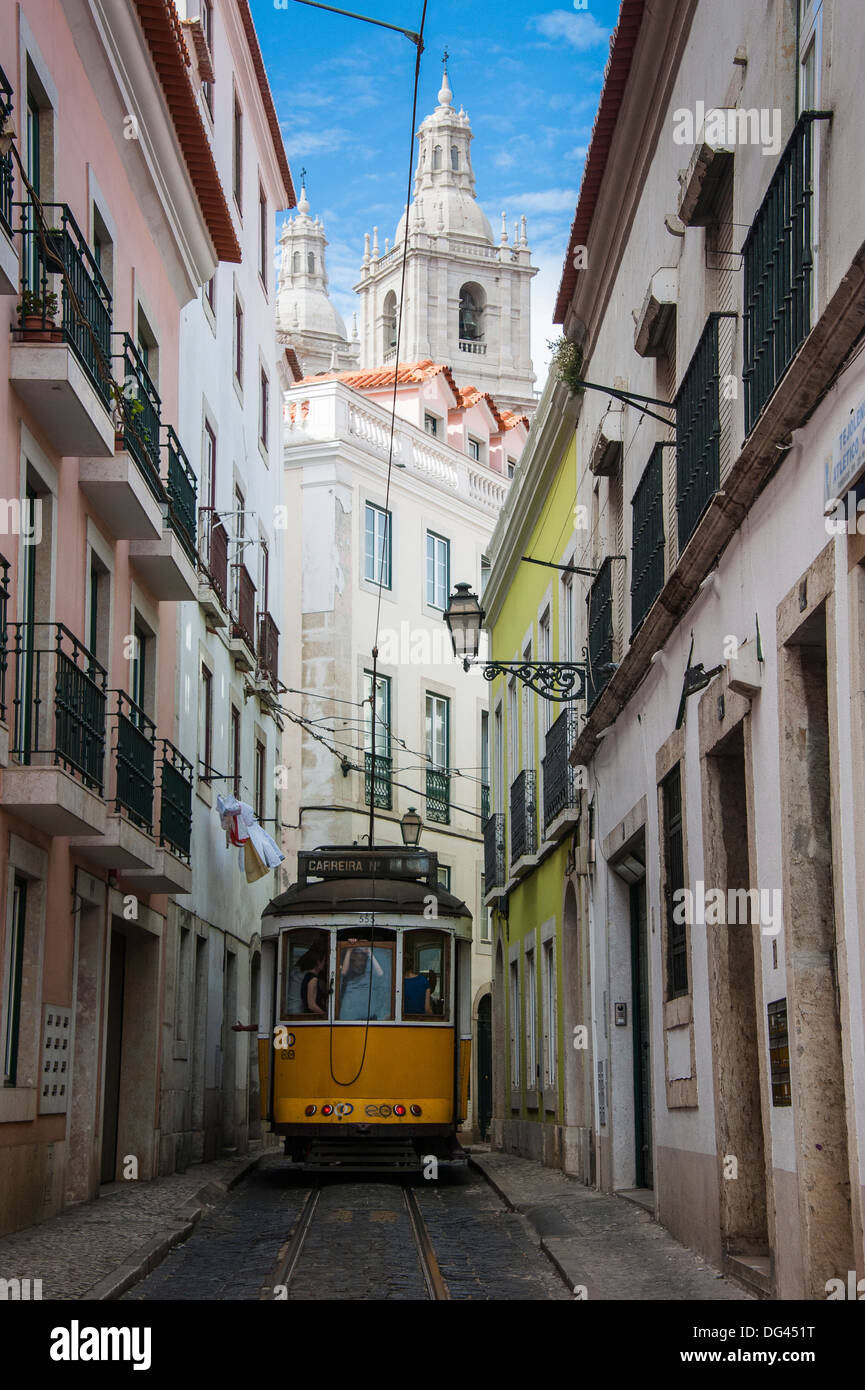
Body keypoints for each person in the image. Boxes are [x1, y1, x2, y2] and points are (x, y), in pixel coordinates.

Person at [339, 940, 384, 1020]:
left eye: (364, 959)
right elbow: (343, 973)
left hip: (369, 1016)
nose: (362, 962)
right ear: (353, 957)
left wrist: (369, 952)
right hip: (351, 1017)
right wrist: (349, 950)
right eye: (359, 959)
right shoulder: (348, 974)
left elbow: (380, 973)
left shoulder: (368, 972)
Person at [297, 948, 327, 1017]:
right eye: (324, 961)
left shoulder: (308, 976)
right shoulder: (313, 979)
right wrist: (324, 1015)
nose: (325, 964)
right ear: (318, 962)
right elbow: (311, 1005)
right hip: (313, 1017)